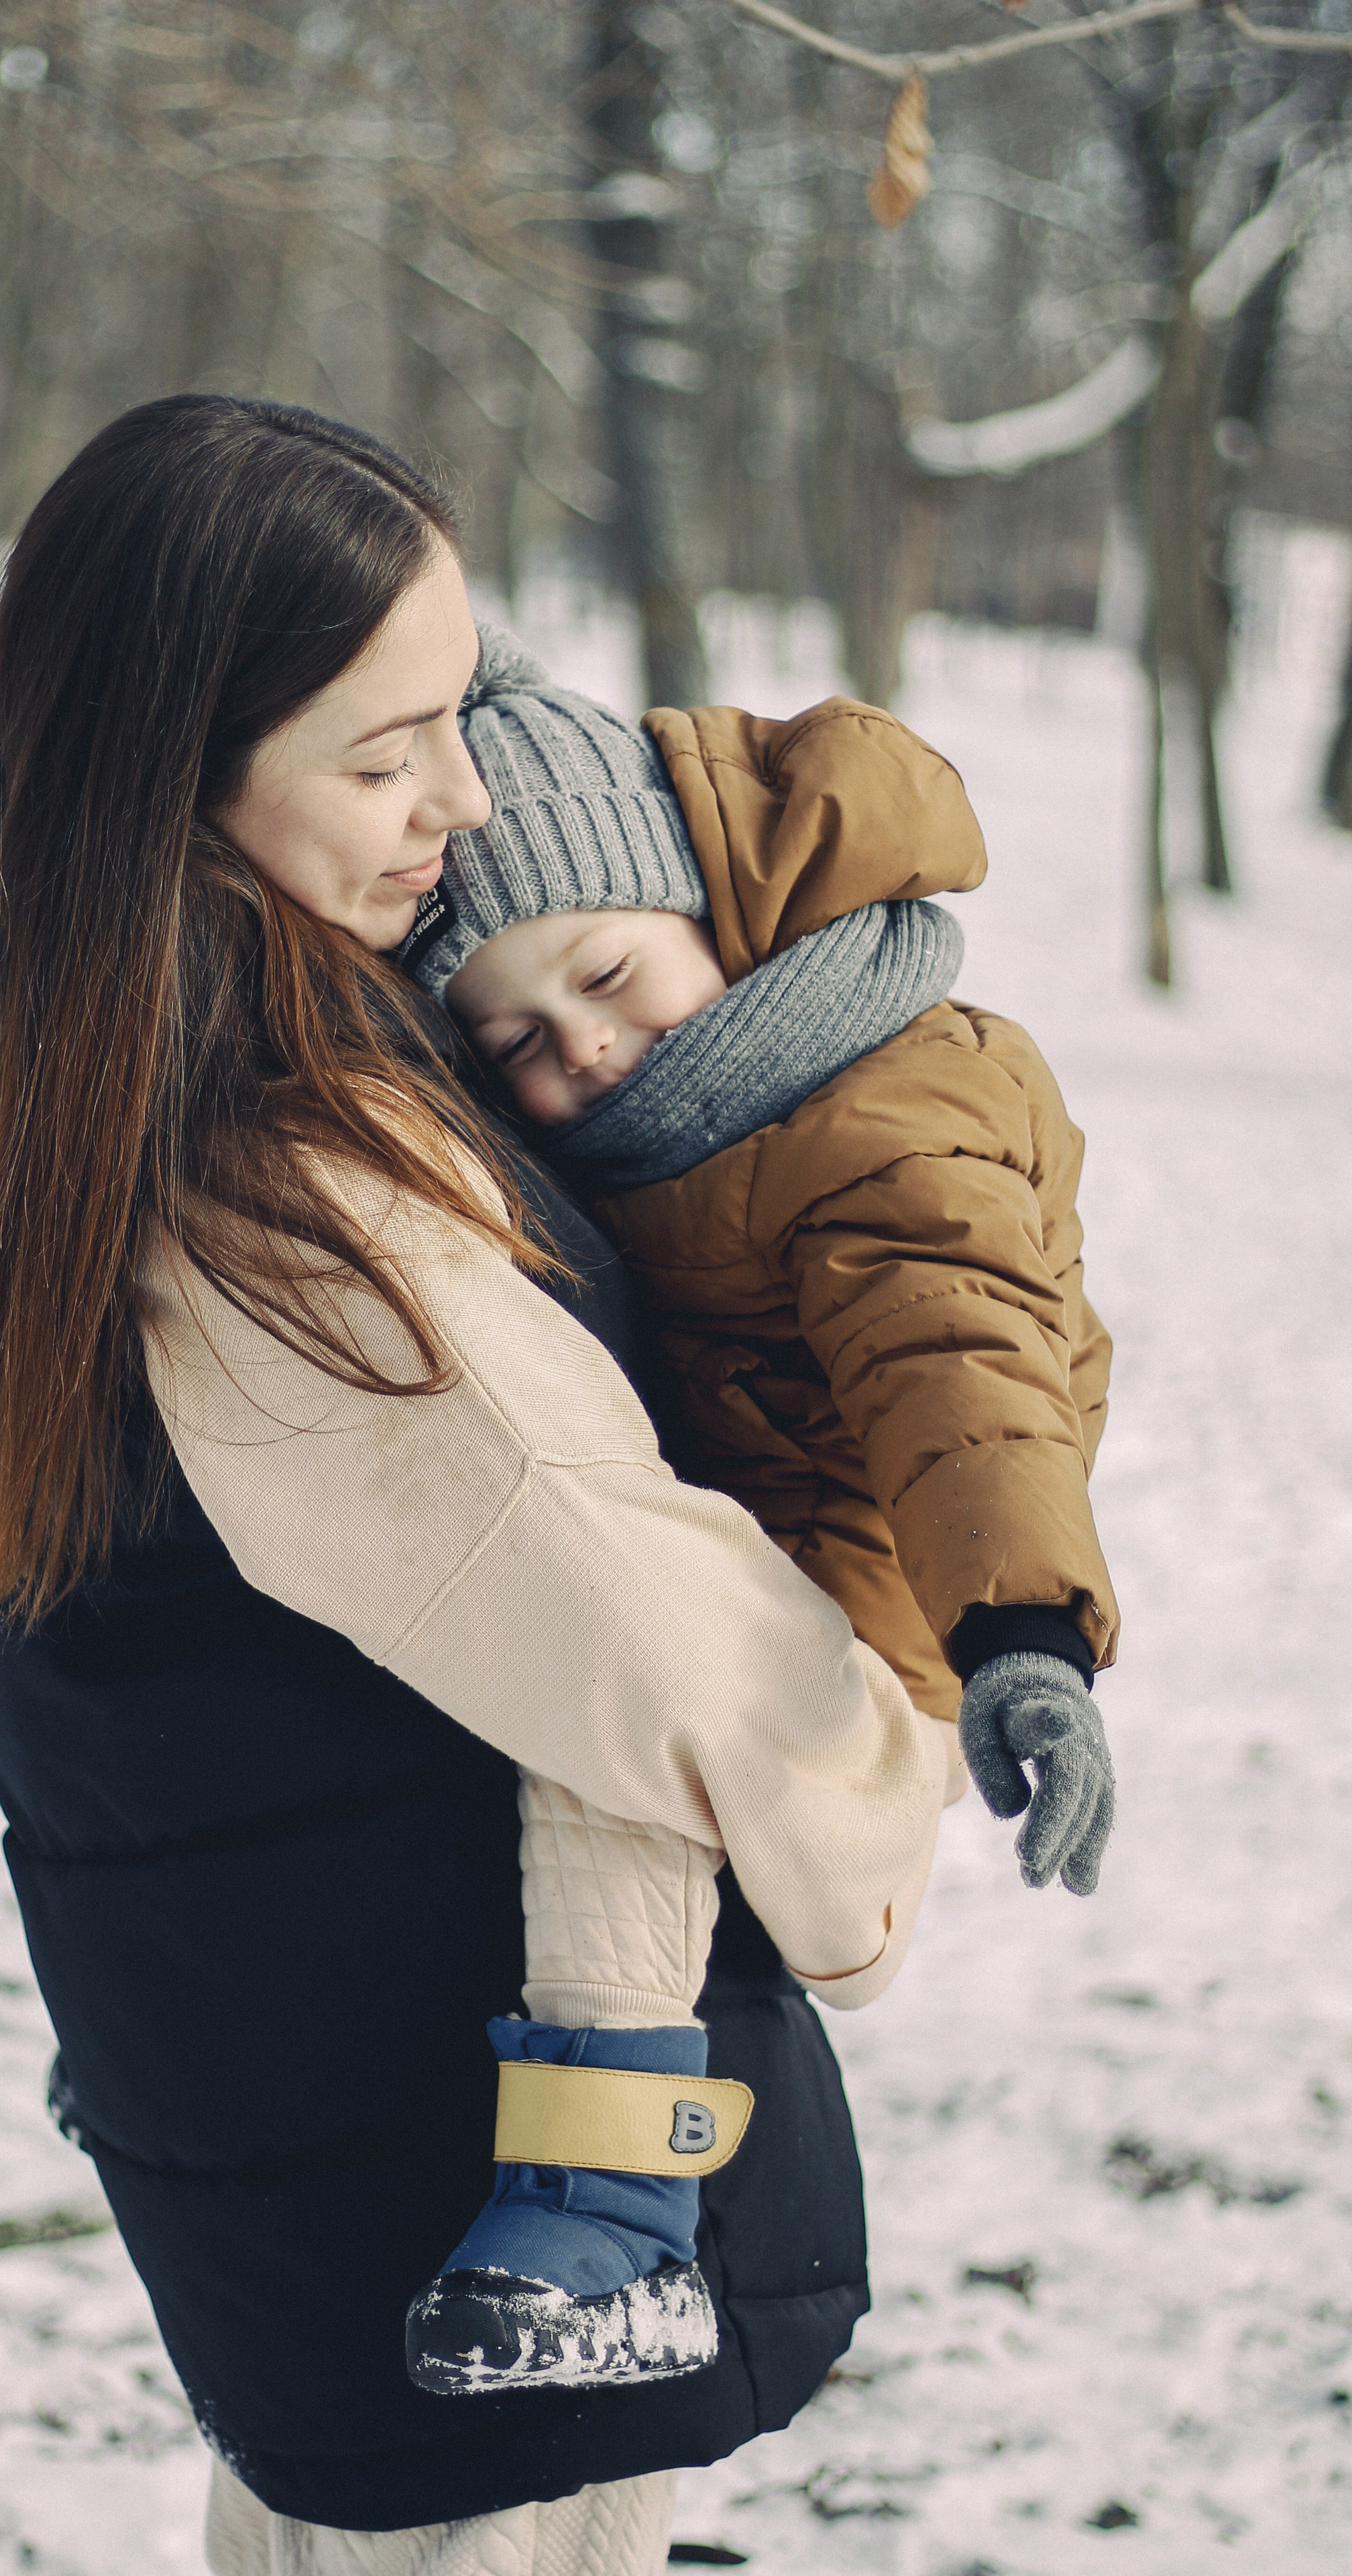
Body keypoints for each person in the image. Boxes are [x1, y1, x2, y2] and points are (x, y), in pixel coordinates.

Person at [0, 394, 962, 2576]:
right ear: (184, 764)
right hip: (463, 2175)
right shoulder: (280, 1182)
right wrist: (872, 1795)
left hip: (319, 2130)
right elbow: (612, 1588)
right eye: (379, 754)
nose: (455, 796)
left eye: (457, 711)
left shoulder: (116, 1055)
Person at [394, 639, 1120, 2391]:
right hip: (748, 1551)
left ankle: (620, 2220)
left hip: (892, 1612)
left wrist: (1021, 1638)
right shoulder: (673, 1129)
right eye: (517, 1043)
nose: (585, 1050)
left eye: (609, 974)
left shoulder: (881, 1098)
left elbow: (962, 1360)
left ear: (706, 906)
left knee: (612, 1723)